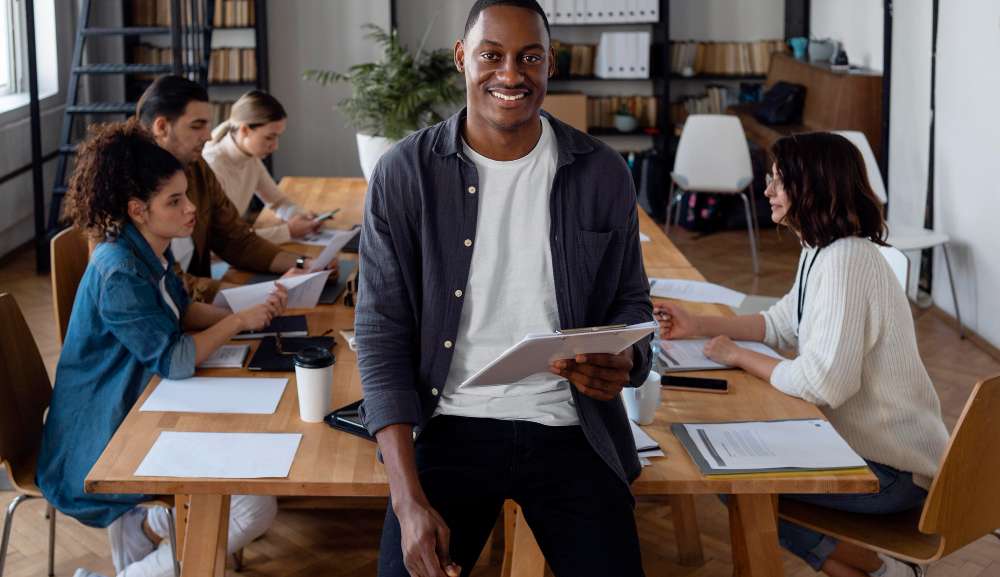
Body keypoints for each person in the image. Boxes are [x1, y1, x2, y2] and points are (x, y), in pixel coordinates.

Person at [355, 1, 652, 576]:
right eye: (492, 55)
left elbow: (631, 301)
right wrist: (406, 498)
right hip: (449, 426)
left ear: (550, 64)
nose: (511, 74)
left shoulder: (602, 171)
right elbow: (380, 335)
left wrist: (628, 357)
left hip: (572, 426)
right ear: (463, 59)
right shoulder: (404, 174)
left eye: (529, 57)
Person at [654, 132, 949, 577]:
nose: (768, 191)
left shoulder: (847, 260)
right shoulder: (821, 250)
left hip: (895, 474)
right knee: (729, 470)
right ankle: (878, 572)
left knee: (731, 479)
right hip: (866, 454)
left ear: (811, 186)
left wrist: (738, 356)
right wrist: (699, 326)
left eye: (778, 182)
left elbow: (822, 383)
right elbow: (779, 324)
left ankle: (880, 569)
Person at [35, 120, 286, 577]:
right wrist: (236, 322)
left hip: (138, 405)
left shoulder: (147, 246)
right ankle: (143, 545)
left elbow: (182, 310)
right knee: (254, 508)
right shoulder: (119, 270)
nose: (191, 209)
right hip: (103, 436)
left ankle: (149, 527)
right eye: (175, 201)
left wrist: (256, 320)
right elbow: (175, 359)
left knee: (249, 496)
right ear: (137, 209)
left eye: (186, 195)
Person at [136, 75, 326, 303]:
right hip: (175, 318)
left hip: (196, 310)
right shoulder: (132, 189)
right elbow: (174, 286)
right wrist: (260, 295)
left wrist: (304, 264)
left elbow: (236, 239)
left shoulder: (197, 168)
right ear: (162, 127)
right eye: (197, 126)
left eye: (208, 125)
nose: (208, 135)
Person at [203, 90, 324, 244]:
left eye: (277, 137)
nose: (275, 146)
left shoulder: (249, 157)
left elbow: (277, 201)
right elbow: (221, 240)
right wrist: (287, 231)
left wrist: (299, 215)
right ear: (245, 130)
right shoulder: (213, 166)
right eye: (269, 137)